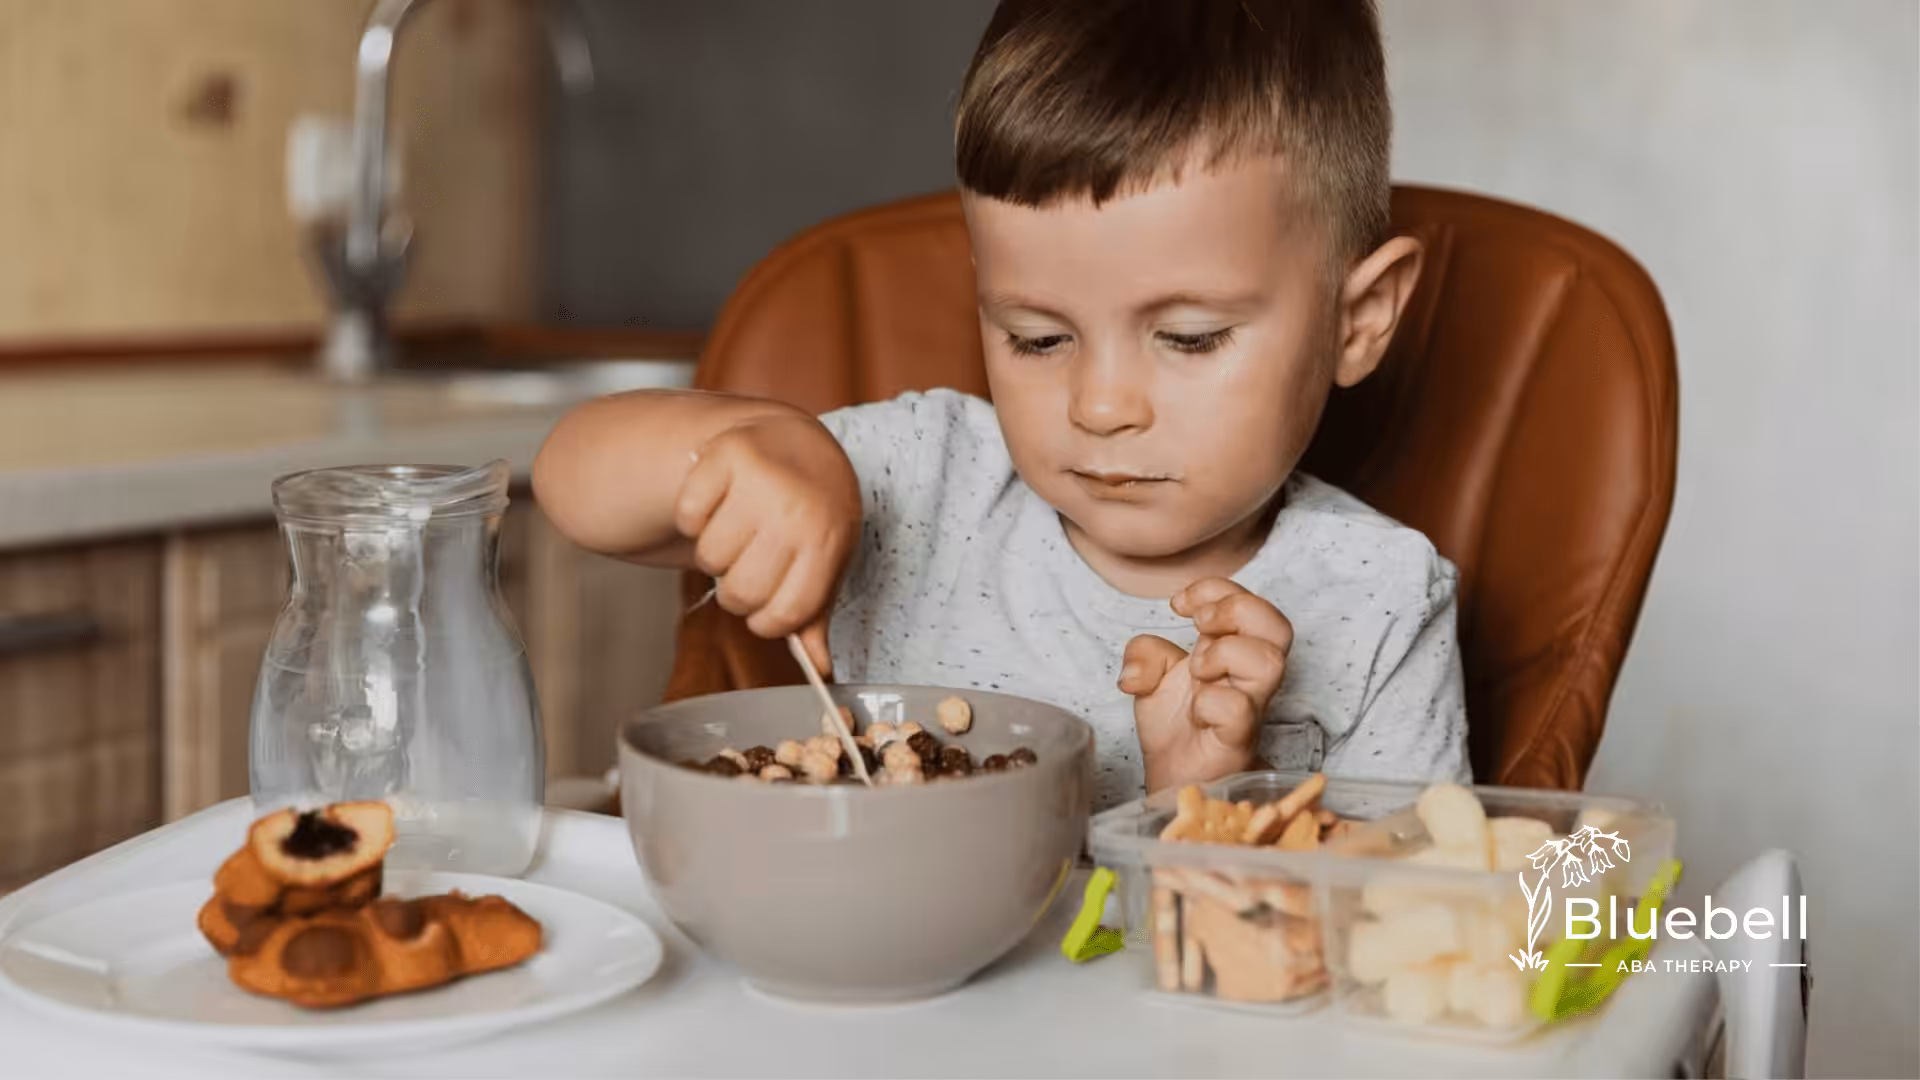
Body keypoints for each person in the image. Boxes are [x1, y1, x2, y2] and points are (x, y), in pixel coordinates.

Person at [534, 0, 1470, 810]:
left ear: (1358, 321)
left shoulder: (1378, 601)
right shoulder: (915, 483)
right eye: (1037, 339)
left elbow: (1405, 936)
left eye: (1188, 338)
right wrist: (745, 446)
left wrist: (1203, 805)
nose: (1100, 406)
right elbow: (573, 483)